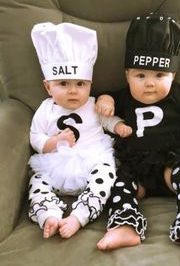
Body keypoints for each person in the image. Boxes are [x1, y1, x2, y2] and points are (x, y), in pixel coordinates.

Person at [96, 13, 180, 252]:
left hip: (171, 166)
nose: (149, 83)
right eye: (140, 75)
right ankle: (124, 225)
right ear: (127, 75)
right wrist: (105, 99)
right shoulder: (123, 96)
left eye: (160, 75)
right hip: (136, 168)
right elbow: (104, 96)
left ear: (173, 75)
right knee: (117, 184)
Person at [28, 22, 131, 239]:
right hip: (54, 165)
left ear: (90, 85)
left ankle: (80, 215)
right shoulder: (45, 109)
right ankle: (48, 215)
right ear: (48, 87)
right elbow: (35, 137)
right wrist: (54, 142)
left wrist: (119, 126)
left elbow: (108, 121)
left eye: (80, 84)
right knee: (37, 182)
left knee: (106, 174)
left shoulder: (94, 104)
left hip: (93, 159)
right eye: (63, 83)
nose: (73, 90)